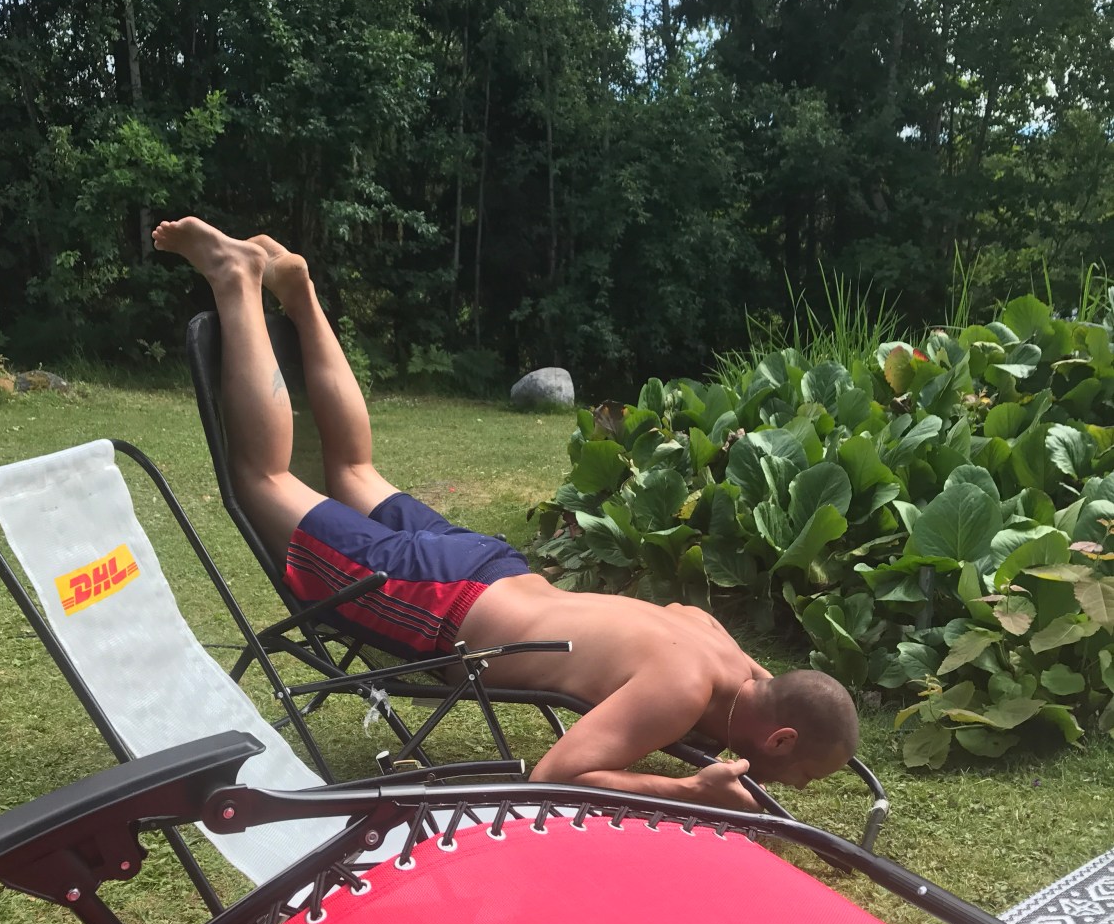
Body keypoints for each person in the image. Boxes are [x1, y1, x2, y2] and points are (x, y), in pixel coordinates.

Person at [155, 217, 858, 812]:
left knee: (353, 472)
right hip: (445, 603)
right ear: (780, 739)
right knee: (264, 478)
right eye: (800, 775)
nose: (795, 786)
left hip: (495, 569)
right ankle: (235, 279)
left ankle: (301, 295)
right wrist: (689, 789)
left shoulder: (716, 647)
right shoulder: (681, 691)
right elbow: (557, 777)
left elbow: (761, 682)